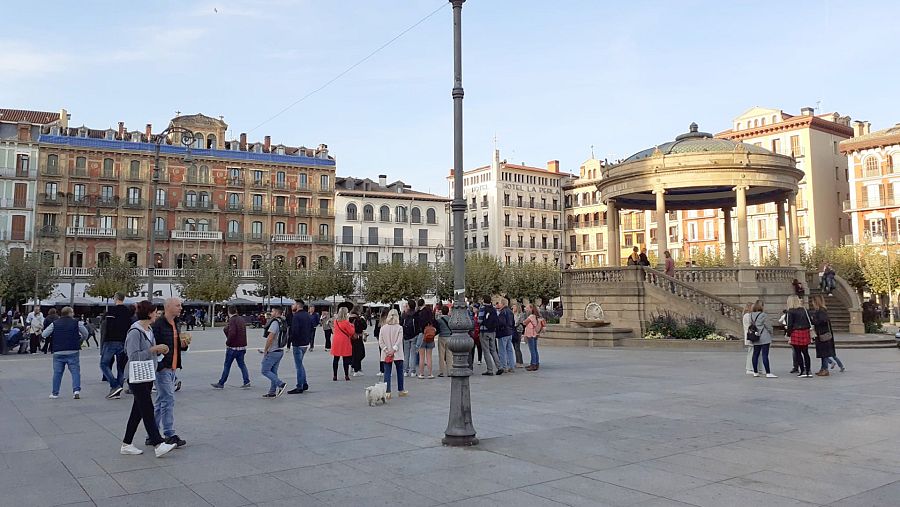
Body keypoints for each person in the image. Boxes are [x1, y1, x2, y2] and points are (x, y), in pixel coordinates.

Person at [120, 301, 178, 458]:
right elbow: (132, 356)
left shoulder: (149, 329)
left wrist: (159, 350)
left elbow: (149, 352)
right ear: (149, 313)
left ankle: (127, 443)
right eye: (155, 312)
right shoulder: (135, 332)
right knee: (147, 409)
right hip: (136, 376)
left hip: (147, 374)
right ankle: (157, 443)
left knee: (137, 411)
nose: (157, 314)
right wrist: (153, 349)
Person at [150, 297, 188, 447]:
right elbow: (154, 346)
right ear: (168, 307)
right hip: (163, 368)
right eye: (178, 305)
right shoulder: (158, 324)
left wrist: (183, 345)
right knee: (168, 399)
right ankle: (169, 433)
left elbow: (175, 345)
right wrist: (159, 364)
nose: (180, 308)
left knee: (161, 401)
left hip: (172, 367)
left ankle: (151, 433)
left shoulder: (176, 323)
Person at [42, 306, 88, 399]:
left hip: (58, 351)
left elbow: (44, 334)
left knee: (57, 373)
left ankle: (55, 393)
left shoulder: (54, 323)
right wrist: (81, 340)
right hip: (73, 350)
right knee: (75, 372)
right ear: (70, 313)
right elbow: (86, 333)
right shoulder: (76, 323)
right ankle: (76, 390)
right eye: (73, 312)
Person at [211, 305, 251, 389]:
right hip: (242, 347)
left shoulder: (232, 320)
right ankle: (246, 381)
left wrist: (228, 342)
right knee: (242, 364)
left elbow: (232, 333)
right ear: (236, 311)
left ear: (228, 312)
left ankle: (221, 383)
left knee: (227, 365)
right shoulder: (241, 319)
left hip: (233, 347)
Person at [101, 293, 132, 399]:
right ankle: (117, 391)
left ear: (115, 298)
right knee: (121, 367)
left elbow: (108, 326)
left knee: (103, 364)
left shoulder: (112, 310)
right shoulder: (128, 311)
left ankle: (114, 385)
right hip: (124, 341)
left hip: (112, 340)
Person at [260, 307, 288, 398]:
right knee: (273, 371)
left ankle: (281, 384)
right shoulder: (283, 321)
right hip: (279, 350)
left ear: (276, 312)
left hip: (273, 350)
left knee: (265, 370)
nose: (271, 313)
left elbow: (271, 337)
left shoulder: (275, 323)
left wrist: (266, 350)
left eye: (272, 311)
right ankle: (272, 392)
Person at [810, 295, 842, 376]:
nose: (812, 303)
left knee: (824, 353)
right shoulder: (821, 310)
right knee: (822, 353)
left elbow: (822, 321)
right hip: (822, 334)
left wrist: (813, 320)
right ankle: (822, 368)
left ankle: (825, 369)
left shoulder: (821, 311)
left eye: (813, 302)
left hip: (823, 334)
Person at [378, 309, 406, 398]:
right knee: (399, 372)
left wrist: (386, 350)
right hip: (397, 353)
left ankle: (387, 392)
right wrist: (394, 350)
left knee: (387, 373)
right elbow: (399, 341)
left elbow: (380, 342)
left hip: (386, 354)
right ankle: (401, 390)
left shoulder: (383, 328)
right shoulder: (399, 328)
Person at [785, 295, 813, 378]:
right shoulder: (805, 310)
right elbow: (810, 321)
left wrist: (788, 334)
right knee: (806, 352)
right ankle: (808, 371)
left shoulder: (791, 311)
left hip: (796, 332)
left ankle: (802, 371)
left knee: (798, 353)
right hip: (805, 331)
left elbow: (789, 324)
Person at [748, 300, 777, 378]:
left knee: (755, 354)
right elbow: (768, 325)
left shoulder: (750, 315)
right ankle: (768, 372)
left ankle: (755, 372)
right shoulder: (763, 315)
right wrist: (771, 332)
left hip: (755, 336)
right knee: (765, 355)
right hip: (764, 337)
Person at [287, 302, 311, 394]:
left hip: (298, 343)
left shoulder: (296, 316)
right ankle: (304, 383)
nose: (292, 306)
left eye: (293, 304)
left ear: (298, 305)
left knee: (298, 366)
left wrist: (290, 341)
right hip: (305, 342)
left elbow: (294, 331)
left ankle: (299, 386)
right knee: (300, 364)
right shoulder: (307, 315)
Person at [330, 307, 355, 381]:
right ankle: (346, 375)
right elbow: (351, 332)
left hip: (336, 340)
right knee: (345, 359)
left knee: (336, 358)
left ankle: (335, 375)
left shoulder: (336, 321)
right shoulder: (346, 322)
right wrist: (352, 325)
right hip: (344, 341)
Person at [480, 296, 502, 375]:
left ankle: (490, 370)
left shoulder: (483, 308)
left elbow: (480, 320)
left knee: (486, 351)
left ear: (483, 300)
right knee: (493, 350)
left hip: (484, 331)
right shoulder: (493, 309)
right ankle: (499, 367)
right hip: (493, 331)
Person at [495, 297, 516, 374]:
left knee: (502, 351)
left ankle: (504, 367)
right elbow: (513, 322)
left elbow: (501, 323)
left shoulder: (503, 312)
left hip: (503, 333)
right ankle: (512, 366)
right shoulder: (510, 311)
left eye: (499, 303)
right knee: (509, 350)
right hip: (509, 332)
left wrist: (498, 328)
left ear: (502, 304)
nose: (498, 304)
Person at [417, 304, 436, 379]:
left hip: (422, 336)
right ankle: (430, 373)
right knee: (429, 356)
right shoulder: (431, 319)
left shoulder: (421, 316)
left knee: (421, 357)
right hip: (430, 337)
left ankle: (421, 374)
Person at [523, 303, 544, 370]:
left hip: (530, 334)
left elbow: (524, 322)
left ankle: (533, 364)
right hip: (535, 334)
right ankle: (536, 363)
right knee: (535, 349)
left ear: (531, 308)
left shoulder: (531, 316)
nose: (526, 309)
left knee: (532, 350)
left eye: (527, 308)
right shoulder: (537, 316)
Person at [401, 300, 419, 377]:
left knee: (406, 354)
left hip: (406, 336)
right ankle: (413, 371)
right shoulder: (416, 314)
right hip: (414, 335)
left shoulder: (404, 315)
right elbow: (418, 324)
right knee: (413, 354)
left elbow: (401, 324)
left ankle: (405, 371)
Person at [349, 306, 367, 376]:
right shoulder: (358, 318)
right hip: (358, 336)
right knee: (360, 353)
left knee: (355, 353)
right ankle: (355, 368)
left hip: (352, 337)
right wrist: (362, 319)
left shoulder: (350, 318)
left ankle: (355, 367)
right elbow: (363, 326)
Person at [435, 305, 452, 377]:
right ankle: (450, 371)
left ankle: (441, 371)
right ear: (448, 311)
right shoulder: (451, 319)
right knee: (449, 355)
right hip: (449, 337)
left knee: (441, 355)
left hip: (442, 337)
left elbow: (437, 329)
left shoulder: (439, 320)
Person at [742, 302, 755, 375]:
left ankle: (750, 367)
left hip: (749, 335)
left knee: (751, 351)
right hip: (750, 335)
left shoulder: (747, 315)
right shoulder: (747, 315)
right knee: (751, 352)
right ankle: (749, 368)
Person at [511, 302, 526, 368]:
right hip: (514, 331)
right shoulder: (513, 314)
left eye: (514, 307)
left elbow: (516, 323)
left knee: (517, 347)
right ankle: (518, 361)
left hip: (517, 331)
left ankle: (520, 362)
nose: (513, 308)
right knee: (515, 347)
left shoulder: (519, 314)